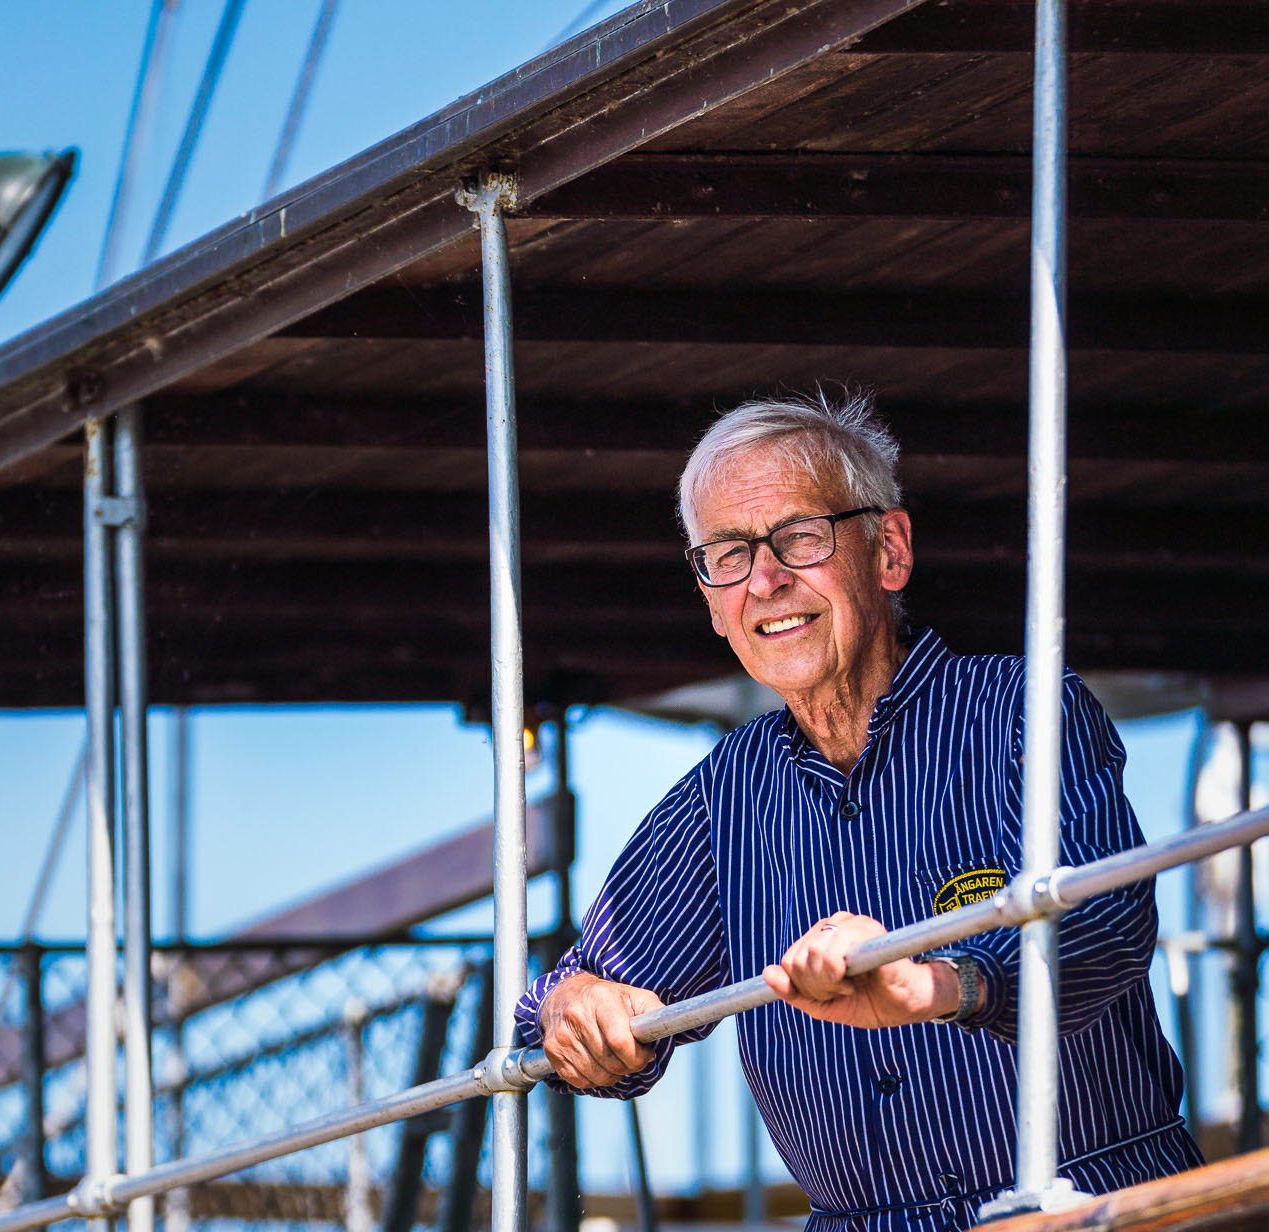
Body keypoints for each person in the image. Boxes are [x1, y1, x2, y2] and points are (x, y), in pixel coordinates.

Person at [515, 391, 1203, 1230]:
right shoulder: (719, 798)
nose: (765, 580)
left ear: (890, 551)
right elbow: (589, 1001)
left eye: (800, 537)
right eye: (727, 554)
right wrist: (573, 1007)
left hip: (1090, 1207)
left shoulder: (1020, 714)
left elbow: (1106, 926)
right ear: (710, 600)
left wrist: (942, 985)